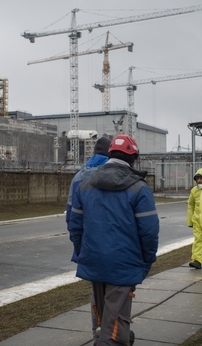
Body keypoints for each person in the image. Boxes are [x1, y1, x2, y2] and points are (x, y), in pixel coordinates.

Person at [69, 134, 159, 346]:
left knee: (101, 317)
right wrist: (146, 263)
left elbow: (75, 226)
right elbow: (149, 232)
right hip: (124, 264)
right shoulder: (140, 189)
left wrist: (84, 253)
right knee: (116, 325)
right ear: (133, 158)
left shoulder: (85, 184)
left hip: (94, 260)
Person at [65, 136, 112, 262]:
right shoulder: (112, 176)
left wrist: (78, 243)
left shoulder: (77, 177)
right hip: (110, 244)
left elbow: (70, 213)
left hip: (85, 242)